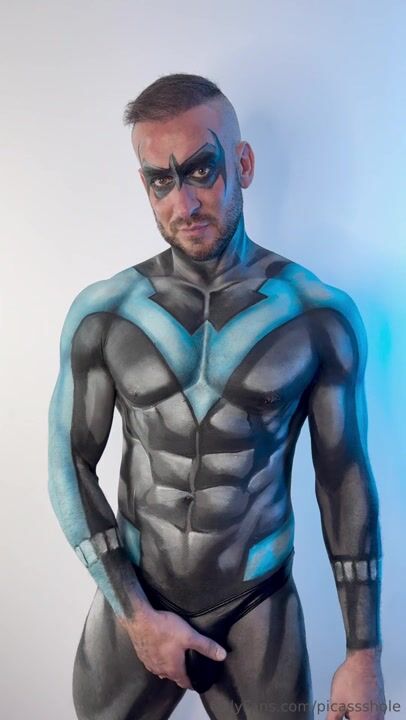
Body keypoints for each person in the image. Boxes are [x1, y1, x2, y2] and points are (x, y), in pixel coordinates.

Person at [48, 73, 385, 720]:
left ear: (243, 164)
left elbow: (343, 478)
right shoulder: (106, 314)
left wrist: (363, 653)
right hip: (135, 597)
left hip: (257, 605)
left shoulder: (316, 316)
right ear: (144, 185)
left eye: (202, 170)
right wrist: (136, 615)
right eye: (161, 181)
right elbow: (69, 464)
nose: (184, 202)